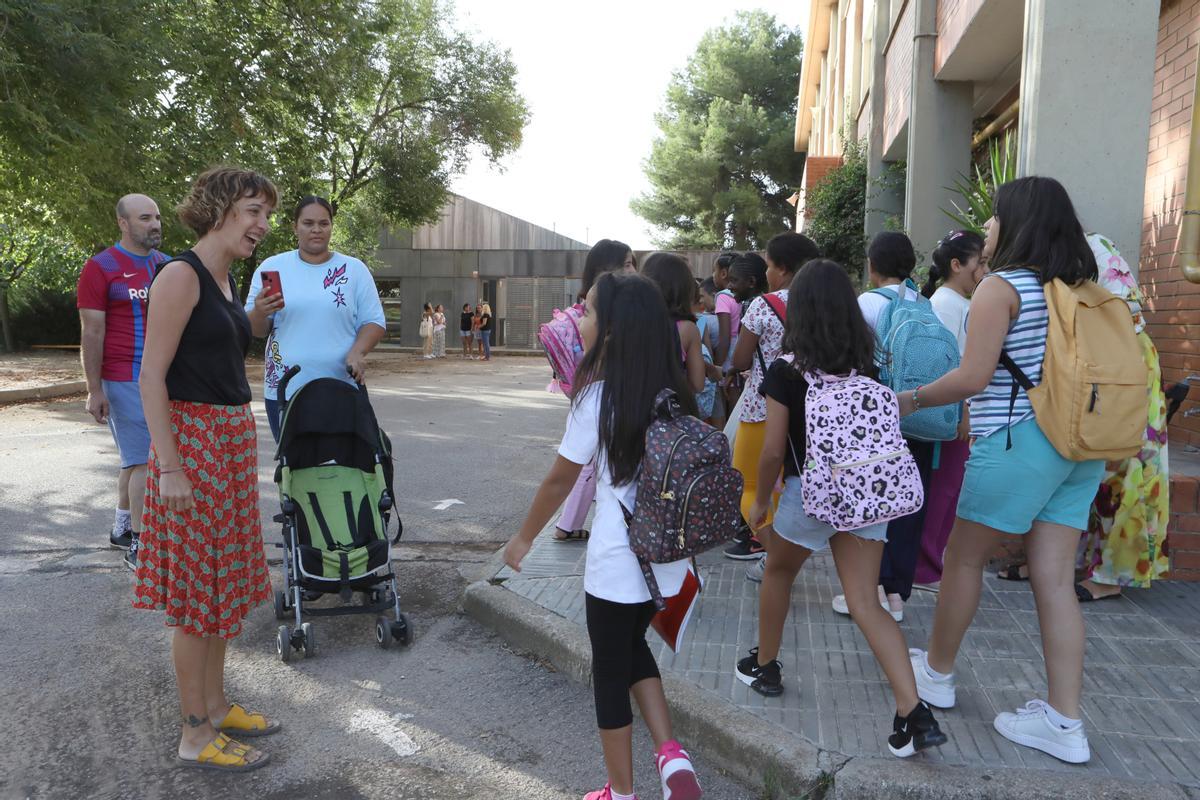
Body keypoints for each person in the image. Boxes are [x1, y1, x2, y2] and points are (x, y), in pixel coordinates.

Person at [899, 176, 1104, 764]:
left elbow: (972, 378)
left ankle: (936, 675)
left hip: (1016, 441)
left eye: (993, 217)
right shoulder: (1082, 289)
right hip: (1079, 446)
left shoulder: (1002, 288)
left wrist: (907, 399)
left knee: (964, 556)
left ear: (1016, 222)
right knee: (1056, 580)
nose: (986, 227)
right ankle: (1065, 723)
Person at [503, 271, 703, 800]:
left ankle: (619, 792)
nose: (580, 316)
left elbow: (559, 480)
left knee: (609, 675)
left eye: (588, 310)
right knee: (633, 647)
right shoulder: (674, 389)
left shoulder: (599, 396)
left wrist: (523, 538)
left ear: (612, 329)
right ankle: (672, 759)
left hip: (618, 565)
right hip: (666, 561)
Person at [736, 259, 948, 757]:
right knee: (865, 603)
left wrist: (761, 502)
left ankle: (765, 666)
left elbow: (771, 452)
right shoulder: (868, 370)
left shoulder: (787, 372)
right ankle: (912, 710)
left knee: (778, 574)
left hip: (810, 497)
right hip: (866, 499)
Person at [135, 167, 280, 772]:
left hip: (227, 441)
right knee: (197, 597)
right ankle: (194, 732)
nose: (262, 225)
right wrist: (170, 467)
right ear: (220, 209)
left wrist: (258, 317)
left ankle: (217, 707)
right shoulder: (180, 275)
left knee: (221, 584)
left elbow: (217, 352)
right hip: (191, 447)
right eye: (252, 211)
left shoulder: (223, 281)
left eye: (265, 213)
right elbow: (151, 377)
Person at [832, 232, 935, 621]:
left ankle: (869, 588)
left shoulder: (868, 302)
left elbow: (850, 358)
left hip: (877, 420)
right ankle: (896, 597)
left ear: (872, 266)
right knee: (910, 504)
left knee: (873, 503)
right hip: (922, 417)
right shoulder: (924, 304)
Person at [244, 196, 387, 441]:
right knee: (293, 473)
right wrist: (259, 311)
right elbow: (257, 330)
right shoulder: (273, 267)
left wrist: (357, 352)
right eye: (308, 223)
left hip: (341, 387)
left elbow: (374, 322)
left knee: (344, 470)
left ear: (332, 225)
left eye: (323, 223)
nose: (316, 230)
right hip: (285, 390)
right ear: (295, 227)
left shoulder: (354, 270)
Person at [77, 194, 170, 570]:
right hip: (123, 375)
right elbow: (92, 330)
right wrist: (94, 388)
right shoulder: (100, 267)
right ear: (123, 223)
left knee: (134, 460)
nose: (155, 224)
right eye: (145, 218)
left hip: (162, 376)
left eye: (158, 217)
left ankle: (121, 529)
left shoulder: (167, 265)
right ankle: (141, 546)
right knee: (147, 458)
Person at [1075, 234, 1170, 600]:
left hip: (1124, 363)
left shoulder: (1093, 246)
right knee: (1091, 467)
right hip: (1097, 367)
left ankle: (1113, 575)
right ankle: (1083, 562)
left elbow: (1125, 319)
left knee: (1126, 466)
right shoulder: (1040, 258)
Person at [725, 236, 820, 566]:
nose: (766, 272)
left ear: (781, 268)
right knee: (789, 486)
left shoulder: (763, 305)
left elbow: (739, 359)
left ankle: (774, 555)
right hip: (811, 409)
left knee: (746, 483)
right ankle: (782, 553)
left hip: (762, 407)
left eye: (768, 265)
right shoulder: (822, 302)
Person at [914, 231, 988, 590]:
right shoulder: (946, 304)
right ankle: (924, 566)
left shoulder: (958, 303)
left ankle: (930, 564)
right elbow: (941, 366)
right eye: (981, 262)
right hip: (949, 416)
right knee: (941, 492)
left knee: (947, 492)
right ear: (957, 265)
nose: (985, 270)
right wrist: (962, 412)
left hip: (956, 414)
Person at [554, 239, 637, 542]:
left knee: (588, 459)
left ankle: (567, 524)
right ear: (607, 269)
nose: (633, 270)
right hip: (599, 393)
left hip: (588, 392)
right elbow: (556, 481)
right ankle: (566, 525)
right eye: (628, 264)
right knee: (588, 460)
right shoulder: (606, 309)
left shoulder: (597, 303)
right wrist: (523, 539)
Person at [641, 253, 714, 397]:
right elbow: (697, 384)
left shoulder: (627, 321)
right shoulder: (687, 329)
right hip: (667, 410)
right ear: (683, 286)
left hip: (629, 409)